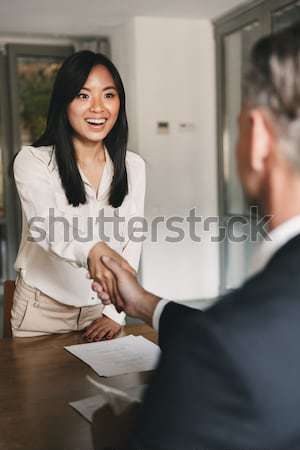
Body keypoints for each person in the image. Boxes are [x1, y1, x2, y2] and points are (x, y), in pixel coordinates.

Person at [92, 22, 300, 450]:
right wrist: (146, 303)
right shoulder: (237, 337)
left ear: (258, 137)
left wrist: (115, 436)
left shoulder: (224, 353)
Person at [11, 50, 145, 340]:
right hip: (41, 312)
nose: (98, 108)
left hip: (102, 309)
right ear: (64, 103)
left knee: (107, 387)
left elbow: (133, 239)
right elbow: (46, 224)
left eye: (108, 95)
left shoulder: (133, 166)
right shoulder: (33, 161)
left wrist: (114, 312)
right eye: (84, 96)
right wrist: (94, 249)